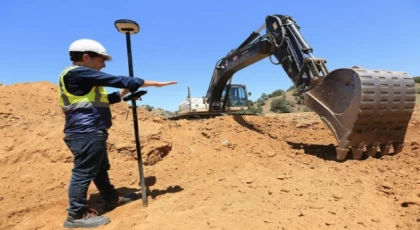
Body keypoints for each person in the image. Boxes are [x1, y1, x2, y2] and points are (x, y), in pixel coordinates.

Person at [59, 38, 177, 228]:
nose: (103, 64)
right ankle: (76, 215)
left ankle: (111, 198)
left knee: (99, 170)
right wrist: (152, 83)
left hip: (90, 131)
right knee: (83, 173)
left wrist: (124, 93)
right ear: (87, 57)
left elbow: (109, 98)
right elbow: (116, 79)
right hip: (86, 132)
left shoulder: (82, 78)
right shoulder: (78, 73)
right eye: (101, 60)